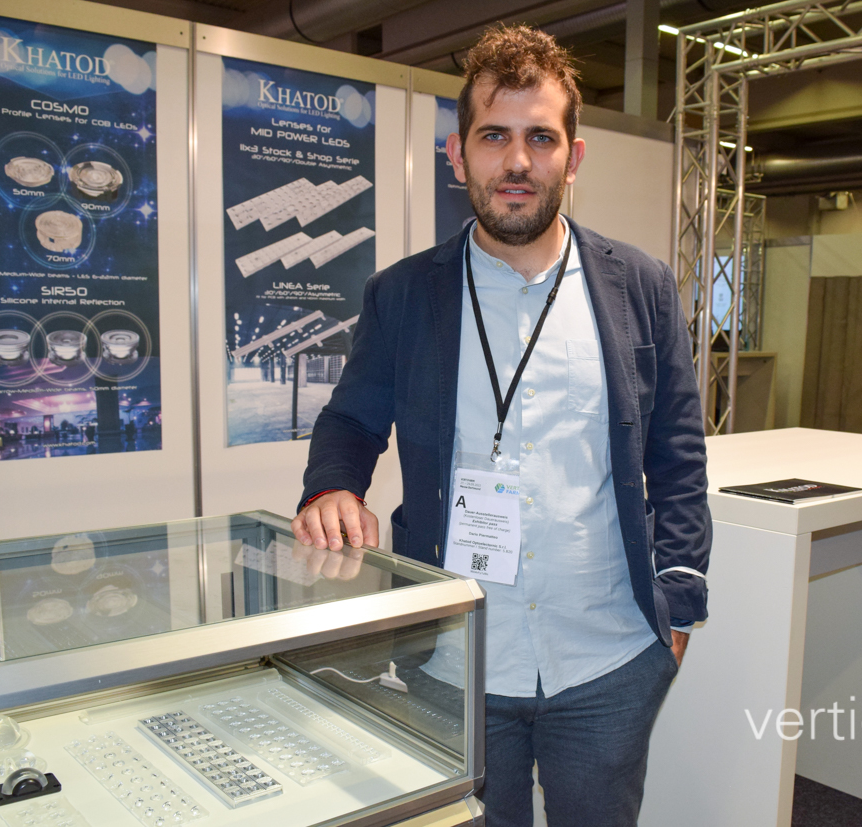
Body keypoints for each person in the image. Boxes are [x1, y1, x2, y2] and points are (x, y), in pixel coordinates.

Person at [291, 24, 710, 827]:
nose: (517, 161)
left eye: (540, 138)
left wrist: (680, 604)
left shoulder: (641, 287)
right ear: (459, 155)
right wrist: (332, 485)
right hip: (455, 658)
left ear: (572, 157)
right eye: (494, 136)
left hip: (609, 657)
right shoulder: (402, 294)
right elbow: (349, 419)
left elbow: (678, 454)